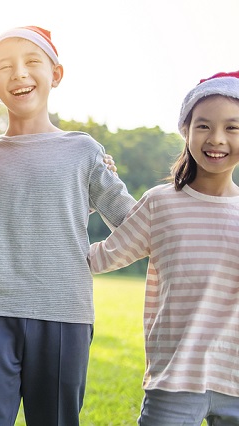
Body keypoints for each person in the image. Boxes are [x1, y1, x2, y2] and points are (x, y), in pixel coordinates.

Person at [0, 26, 137, 426]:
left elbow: (132, 222)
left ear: (57, 74)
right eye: (6, 67)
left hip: (66, 315)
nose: (19, 73)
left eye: (32, 62)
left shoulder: (84, 150)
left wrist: (96, 258)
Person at [89, 71, 239, 425]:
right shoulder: (160, 204)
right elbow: (101, 257)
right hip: (174, 380)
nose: (216, 139)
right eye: (203, 126)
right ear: (185, 131)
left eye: (232, 127)